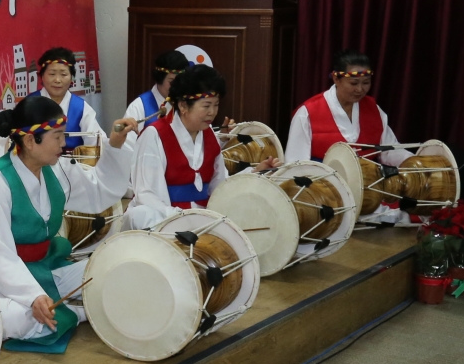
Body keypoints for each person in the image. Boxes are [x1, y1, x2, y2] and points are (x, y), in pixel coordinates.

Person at [0, 96, 135, 351]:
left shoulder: (57, 170)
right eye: (57, 136)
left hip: (44, 266)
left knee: (113, 269)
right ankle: (80, 310)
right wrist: (33, 296)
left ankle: (74, 308)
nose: (64, 143)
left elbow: (99, 192)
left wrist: (115, 144)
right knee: (26, 321)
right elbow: (0, 255)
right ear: (31, 140)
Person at [127, 65, 278, 230]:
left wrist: (254, 174)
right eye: (206, 106)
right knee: (142, 214)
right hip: (166, 220)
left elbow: (220, 186)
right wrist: (184, 219)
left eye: (216, 105)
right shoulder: (154, 135)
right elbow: (147, 195)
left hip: (202, 218)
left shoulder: (209, 135)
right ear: (183, 106)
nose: (212, 112)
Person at [286, 51, 412, 223]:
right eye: (354, 83)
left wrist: (418, 164)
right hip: (325, 198)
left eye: (366, 83)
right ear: (336, 79)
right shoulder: (308, 112)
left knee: (406, 216)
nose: (360, 89)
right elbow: (295, 165)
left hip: (369, 195)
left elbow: (392, 152)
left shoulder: (373, 109)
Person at [29, 47, 105, 152]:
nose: (57, 80)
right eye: (52, 74)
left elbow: (96, 143)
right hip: (35, 166)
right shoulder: (29, 104)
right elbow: (5, 143)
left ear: (71, 78)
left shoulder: (80, 108)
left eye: (64, 74)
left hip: (72, 165)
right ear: (42, 76)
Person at [124, 49, 189, 135]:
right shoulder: (139, 106)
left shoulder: (189, 103)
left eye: (181, 81)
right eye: (172, 82)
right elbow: (128, 146)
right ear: (159, 79)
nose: (177, 87)